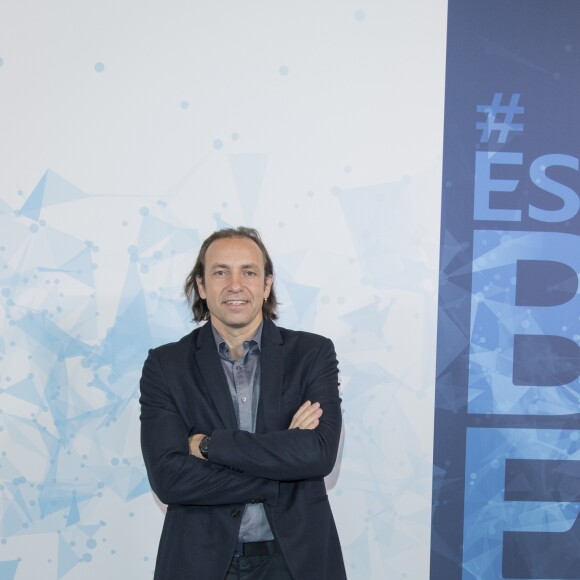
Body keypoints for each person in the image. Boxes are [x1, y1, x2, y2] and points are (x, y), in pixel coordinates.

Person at [139, 226, 346, 580]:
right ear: (202, 286)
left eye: (248, 272)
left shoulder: (312, 354)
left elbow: (319, 454)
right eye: (220, 272)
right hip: (198, 563)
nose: (235, 284)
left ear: (267, 285)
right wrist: (281, 471)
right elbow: (169, 479)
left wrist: (208, 445)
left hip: (296, 561)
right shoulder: (166, 365)